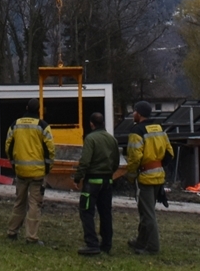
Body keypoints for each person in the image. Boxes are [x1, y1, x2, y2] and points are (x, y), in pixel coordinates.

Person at [125, 101, 173, 255]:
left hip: (145, 177)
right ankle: (140, 241)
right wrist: (157, 165)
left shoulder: (136, 131)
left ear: (138, 113)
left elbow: (134, 158)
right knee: (146, 210)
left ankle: (152, 247)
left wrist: (131, 176)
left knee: (147, 214)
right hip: (158, 175)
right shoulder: (159, 128)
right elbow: (170, 153)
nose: (133, 114)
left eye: (134, 111)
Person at [4, 101, 54, 243]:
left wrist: (14, 164)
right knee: (34, 204)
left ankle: (12, 231)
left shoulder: (15, 125)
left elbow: (8, 146)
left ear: (26, 108)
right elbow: (50, 149)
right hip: (38, 173)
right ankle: (31, 236)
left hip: (20, 171)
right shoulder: (42, 126)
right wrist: (47, 168)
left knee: (19, 202)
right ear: (39, 110)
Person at [74, 111, 119, 255]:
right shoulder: (112, 139)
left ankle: (92, 244)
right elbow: (116, 161)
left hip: (92, 181)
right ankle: (106, 244)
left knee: (86, 212)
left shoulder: (90, 138)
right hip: (107, 181)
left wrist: (78, 177)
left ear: (91, 124)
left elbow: (85, 161)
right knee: (105, 213)